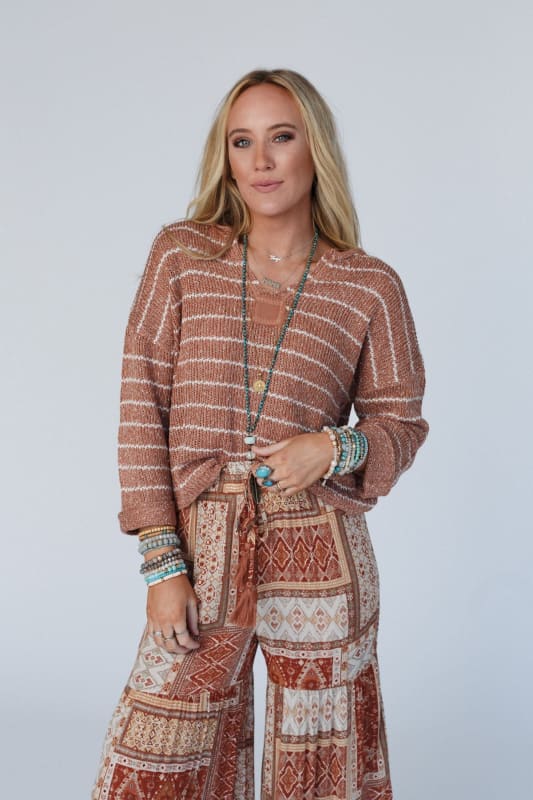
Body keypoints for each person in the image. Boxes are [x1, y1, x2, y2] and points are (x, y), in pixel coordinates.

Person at [92, 68, 429, 800]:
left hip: (321, 548)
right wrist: (161, 564)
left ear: (316, 150)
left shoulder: (369, 284)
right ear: (226, 158)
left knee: (320, 769)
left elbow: (401, 422)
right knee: (153, 755)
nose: (262, 160)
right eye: (241, 142)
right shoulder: (182, 256)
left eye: (281, 137)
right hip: (203, 543)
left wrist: (333, 447)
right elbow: (141, 404)